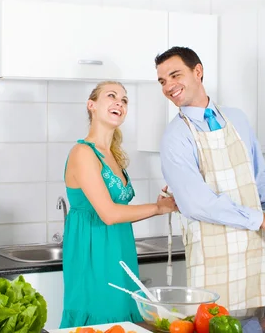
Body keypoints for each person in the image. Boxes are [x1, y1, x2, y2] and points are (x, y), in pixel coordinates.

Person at [156, 46, 265, 310]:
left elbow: (258, 178)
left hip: (252, 253)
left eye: (175, 75)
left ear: (197, 71)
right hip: (213, 257)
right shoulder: (175, 137)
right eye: (163, 81)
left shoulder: (237, 119)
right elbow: (197, 204)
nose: (169, 86)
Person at [60, 80, 178, 328]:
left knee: (123, 322)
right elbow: (110, 214)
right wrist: (158, 208)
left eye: (124, 100)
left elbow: (119, 213)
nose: (119, 103)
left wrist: (161, 203)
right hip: (93, 252)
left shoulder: (113, 154)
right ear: (91, 105)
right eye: (111, 96)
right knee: (99, 322)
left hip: (119, 248)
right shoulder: (83, 153)